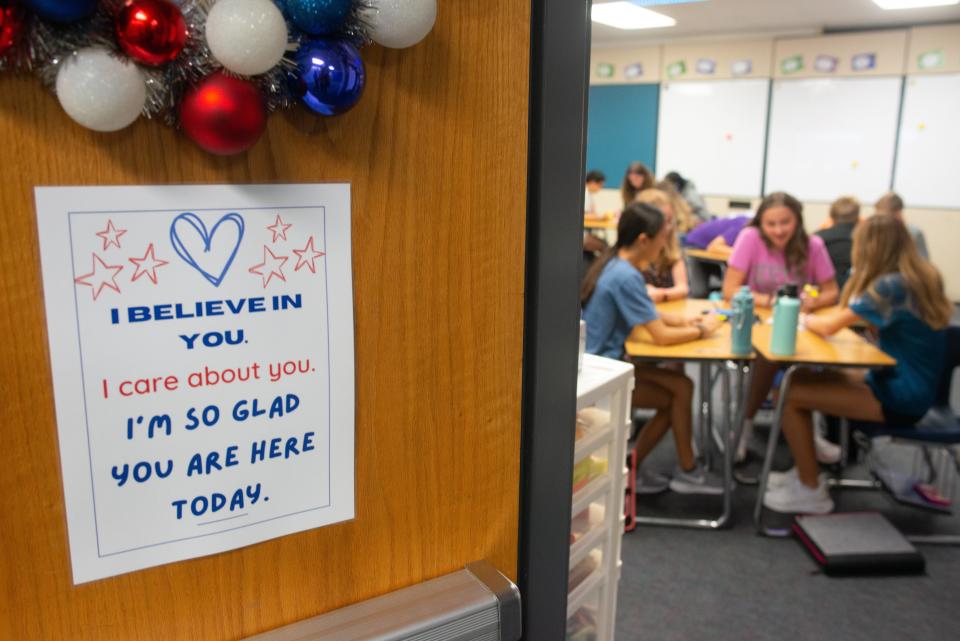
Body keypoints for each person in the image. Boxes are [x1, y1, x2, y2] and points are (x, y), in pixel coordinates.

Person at [763, 214, 953, 513]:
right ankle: (805, 470)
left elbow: (830, 324)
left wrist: (803, 317)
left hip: (902, 395)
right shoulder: (920, 276)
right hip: (910, 383)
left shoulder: (891, 286)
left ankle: (811, 489)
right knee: (802, 380)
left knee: (788, 394)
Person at [581, 202, 725, 495]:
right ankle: (683, 471)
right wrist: (702, 329)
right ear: (644, 240)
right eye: (662, 237)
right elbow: (660, 336)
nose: (665, 245)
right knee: (678, 393)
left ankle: (644, 467)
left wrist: (685, 319)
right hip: (602, 380)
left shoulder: (614, 262)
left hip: (600, 366)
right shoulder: (626, 275)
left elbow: (647, 313)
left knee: (682, 387)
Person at [723, 192, 841, 462]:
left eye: (785, 222)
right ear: (761, 224)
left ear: (798, 220)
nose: (778, 230)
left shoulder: (814, 245)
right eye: (771, 224)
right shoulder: (749, 239)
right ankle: (743, 428)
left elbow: (831, 292)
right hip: (759, 321)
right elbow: (730, 289)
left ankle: (811, 435)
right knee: (768, 360)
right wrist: (771, 300)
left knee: (810, 363)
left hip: (800, 322)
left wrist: (811, 302)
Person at [635, 189, 689, 302]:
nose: (668, 227)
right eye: (663, 222)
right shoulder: (632, 255)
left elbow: (683, 288)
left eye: (670, 221)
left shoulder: (672, 249)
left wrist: (661, 294)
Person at [815, 196, 860, 290]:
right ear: (858, 217)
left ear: (831, 217)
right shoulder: (868, 240)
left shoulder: (817, 239)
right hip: (857, 294)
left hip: (822, 295)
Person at [875, 192, 929, 259]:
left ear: (898, 212)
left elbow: (924, 261)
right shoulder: (876, 232)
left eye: (884, 215)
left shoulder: (914, 233)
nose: (879, 219)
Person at [683, 214, 750, 258]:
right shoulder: (743, 226)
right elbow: (714, 247)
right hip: (693, 245)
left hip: (702, 246)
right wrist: (744, 253)